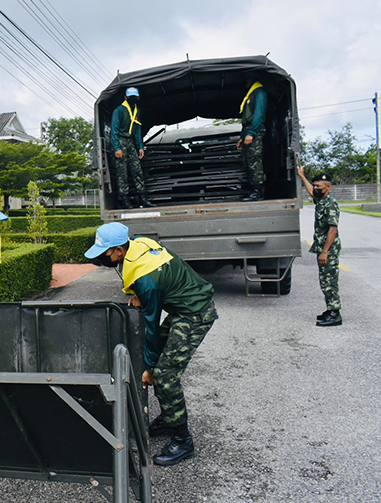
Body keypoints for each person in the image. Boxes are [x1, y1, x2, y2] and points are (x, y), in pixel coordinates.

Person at [84, 222, 217, 466]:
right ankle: (169, 417)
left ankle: (183, 440)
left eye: (105, 254)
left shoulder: (147, 281)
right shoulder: (141, 243)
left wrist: (149, 366)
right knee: (159, 366)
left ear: (119, 251)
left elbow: (151, 327)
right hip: (183, 309)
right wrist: (139, 294)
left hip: (195, 314)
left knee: (164, 375)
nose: (103, 259)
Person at [296, 167, 342, 326]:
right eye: (315, 186)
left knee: (330, 282)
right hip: (324, 249)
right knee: (325, 281)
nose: (315, 189)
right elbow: (310, 192)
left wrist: (324, 252)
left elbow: (332, 229)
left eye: (318, 187)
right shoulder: (322, 200)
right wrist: (302, 176)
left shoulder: (330, 204)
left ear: (328, 188)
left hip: (328, 250)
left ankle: (335, 314)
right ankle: (330, 310)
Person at [110, 87, 155, 210]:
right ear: (125, 97)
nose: (132, 99)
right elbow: (113, 130)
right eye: (130, 97)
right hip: (120, 141)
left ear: (138, 98)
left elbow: (137, 130)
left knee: (137, 170)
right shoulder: (119, 110)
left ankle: (143, 197)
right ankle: (124, 199)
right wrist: (116, 148)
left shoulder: (137, 110)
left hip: (130, 143)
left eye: (134, 97)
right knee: (122, 172)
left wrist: (140, 146)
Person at [237, 74, 268, 201]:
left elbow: (258, 115)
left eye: (247, 79)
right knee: (248, 161)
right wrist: (242, 136)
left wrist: (252, 133)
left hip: (254, 130)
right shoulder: (251, 94)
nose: (245, 82)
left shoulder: (259, 92)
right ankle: (253, 189)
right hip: (248, 129)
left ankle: (258, 192)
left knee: (255, 161)